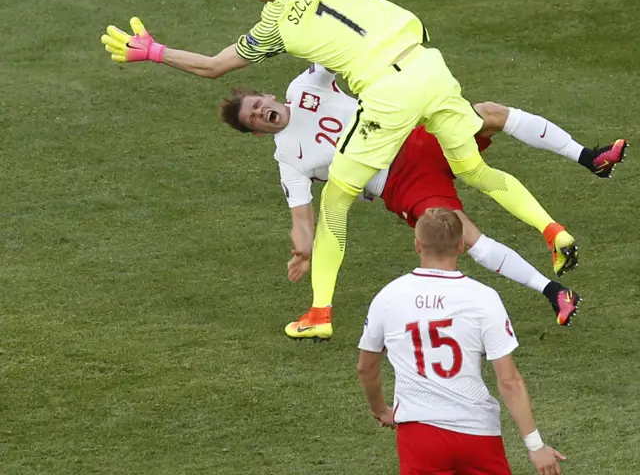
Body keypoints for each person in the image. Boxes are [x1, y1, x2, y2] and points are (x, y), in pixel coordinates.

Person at [102, 0, 581, 339]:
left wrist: (154, 52)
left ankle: (320, 314)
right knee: (474, 166)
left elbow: (215, 65)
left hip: (390, 98)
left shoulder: (275, 26)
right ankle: (553, 231)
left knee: (337, 202)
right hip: (428, 64)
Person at [219, 65, 624, 333]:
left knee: (489, 113)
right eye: (253, 119)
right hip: (399, 183)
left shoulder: (304, 85)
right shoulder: (288, 159)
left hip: (416, 134)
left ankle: (591, 158)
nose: (260, 114)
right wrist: (304, 251)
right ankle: (555, 293)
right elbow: (303, 218)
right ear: (256, 133)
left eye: (258, 106)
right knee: (464, 237)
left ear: (269, 96)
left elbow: (340, 52)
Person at [357, 208, 566, 475]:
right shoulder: (483, 298)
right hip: (477, 434)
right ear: (460, 245)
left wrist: (381, 410)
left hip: (420, 435)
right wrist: (536, 446)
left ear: (417, 244)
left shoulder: (388, 297)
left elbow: (366, 367)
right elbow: (509, 381)